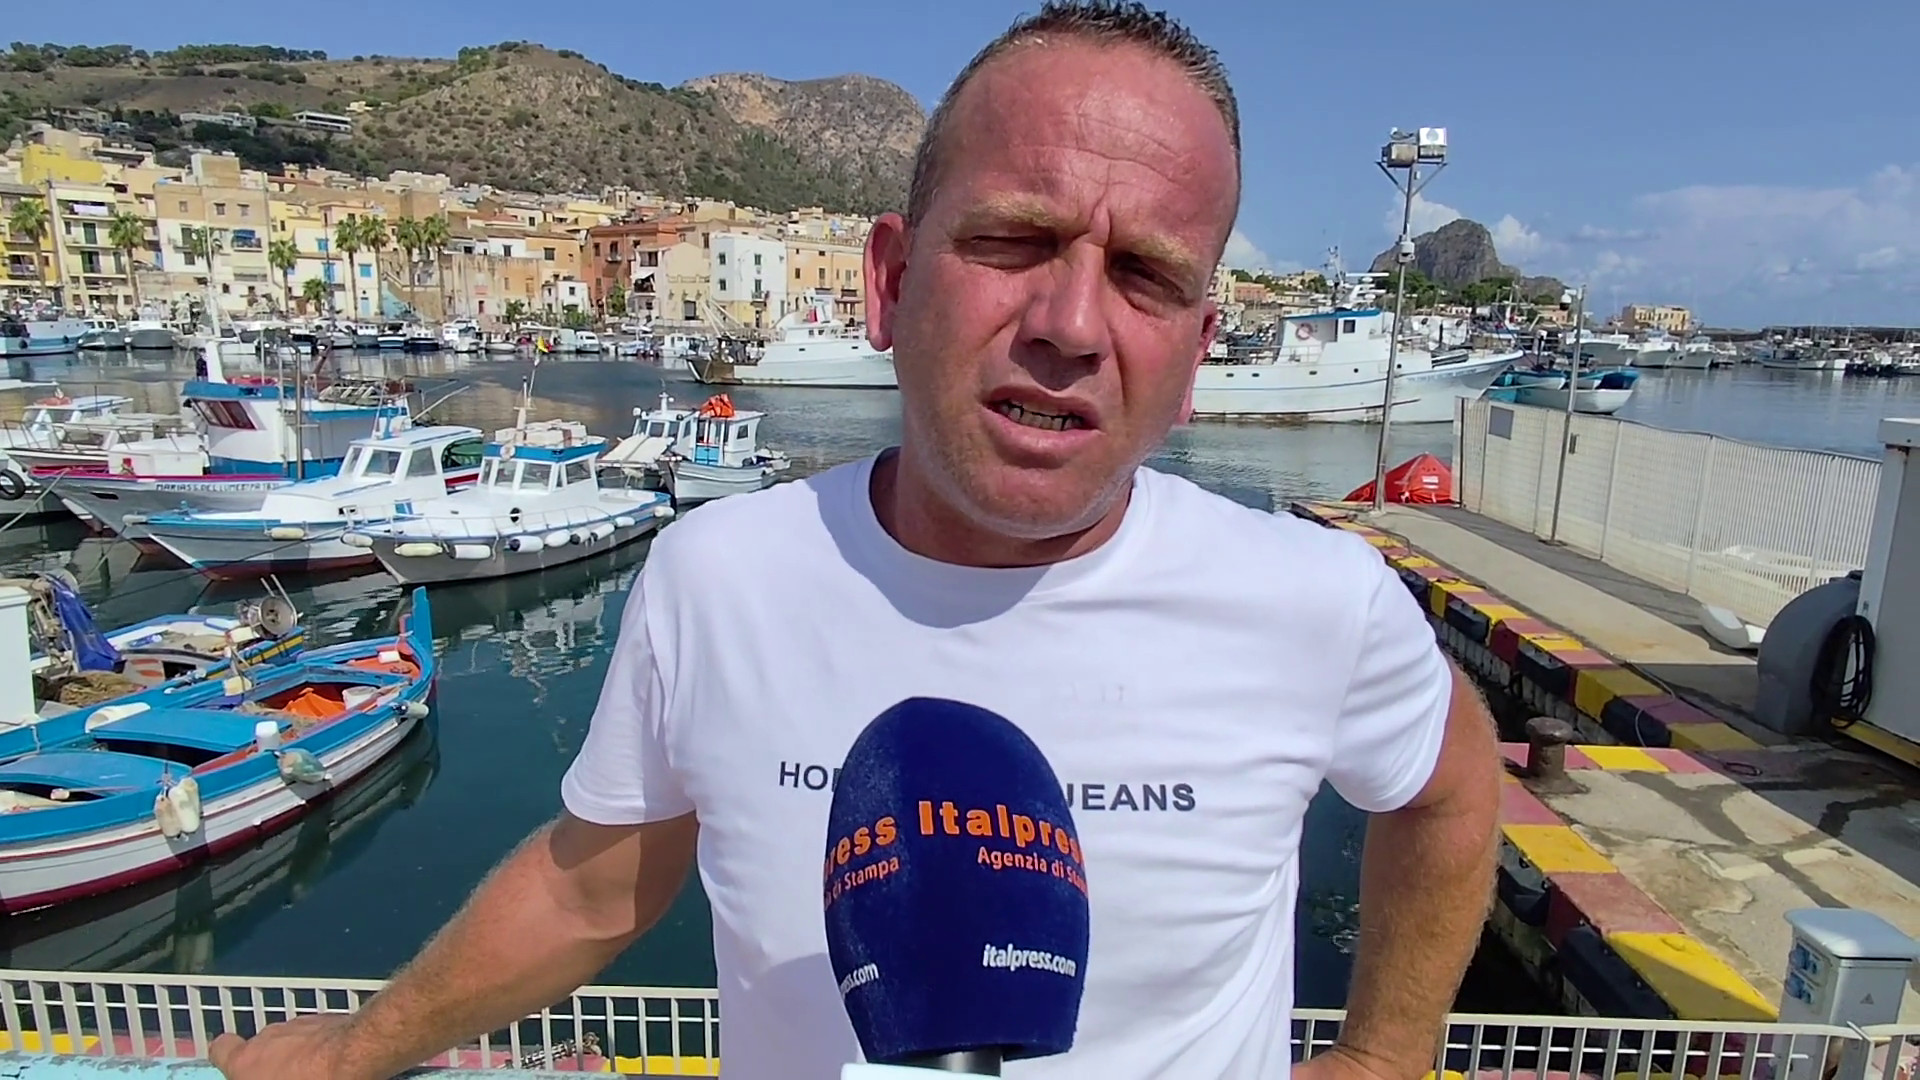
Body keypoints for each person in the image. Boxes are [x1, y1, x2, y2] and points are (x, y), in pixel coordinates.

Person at [210, 3, 1500, 1078]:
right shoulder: (716, 578)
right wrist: (352, 1052)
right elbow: (592, 888)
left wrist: (1387, 1054)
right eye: (1014, 240)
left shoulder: (1317, 602)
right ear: (890, 281)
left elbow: (1448, 786)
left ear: (1196, 355)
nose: (1070, 322)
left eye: (1146, 276)